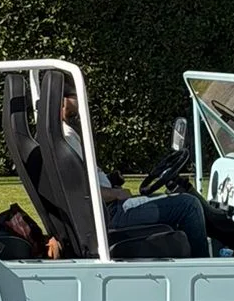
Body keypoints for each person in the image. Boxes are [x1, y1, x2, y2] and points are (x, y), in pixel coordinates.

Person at [52, 92, 209, 258]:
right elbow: (82, 192)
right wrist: (116, 193)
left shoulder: (63, 136)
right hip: (111, 213)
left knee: (171, 201)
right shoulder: (66, 139)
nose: (82, 98)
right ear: (61, 102)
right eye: (74, 95)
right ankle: (207, 272)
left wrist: (110, 181)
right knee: (189, 205)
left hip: (106, 210)